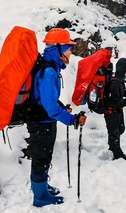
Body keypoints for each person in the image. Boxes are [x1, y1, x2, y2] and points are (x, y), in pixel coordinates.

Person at [27, 28, 87, 207]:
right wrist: (72, 120)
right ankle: (40, 197)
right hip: (41, 123)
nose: (71, 53)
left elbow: (48, 100)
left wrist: (63, 108)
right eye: (69, 49)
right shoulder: (49, 72)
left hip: (42, 120)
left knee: (44, 157)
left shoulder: (49, 67)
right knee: (41, 159)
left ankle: (43, 188)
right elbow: (50, 107)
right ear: (59, 49)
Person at [104, 57, 126, 160]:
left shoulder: (118, 81)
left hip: (115, 112)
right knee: (114, 132)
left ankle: (114, 149)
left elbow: (122, 94)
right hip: (111, 113)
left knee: (119, 130)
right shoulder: (116, 83)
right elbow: (117, 102)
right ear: (123, 69)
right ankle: (116, 153)